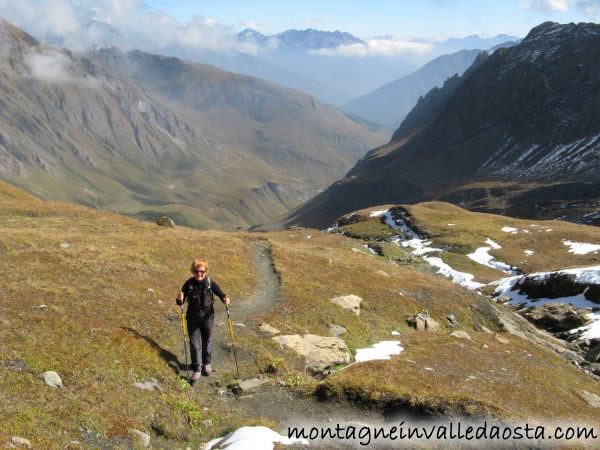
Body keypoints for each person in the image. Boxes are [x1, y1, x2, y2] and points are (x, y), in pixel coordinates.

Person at [177, 259, 230, 381]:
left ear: (206, 271)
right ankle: (196, 369)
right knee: (194, 344)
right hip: (192, 318)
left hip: (208, 318)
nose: (199, 274)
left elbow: (222, 295)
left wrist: (226, 300)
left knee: (207, 342)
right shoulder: (188, 284)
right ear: (193, 271)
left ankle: (206, 363)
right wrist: (179, 299)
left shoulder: (210, 283)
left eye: (202, 271)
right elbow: (180, 302)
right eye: (196, 271)